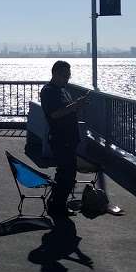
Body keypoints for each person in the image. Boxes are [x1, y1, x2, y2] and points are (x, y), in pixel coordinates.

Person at [40, 61, 90, 216]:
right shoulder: (49, 91)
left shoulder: (63, 90)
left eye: (68, 75)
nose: (67, 78)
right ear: (55, 73)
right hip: (60, 139)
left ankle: (56, 203)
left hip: (69, 138)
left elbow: (66, 110)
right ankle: (57, 207)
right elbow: (54, 114)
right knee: (66, 174)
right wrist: (75, 105)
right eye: (64, 75)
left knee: (66, 172)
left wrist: (77, 105)